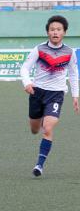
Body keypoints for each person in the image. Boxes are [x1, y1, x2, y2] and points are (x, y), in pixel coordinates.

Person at [20, 15, 79, 177]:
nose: (55, 32)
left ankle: (39, 165)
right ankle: (36, 124)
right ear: (47, 32)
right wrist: (27, 83)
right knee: (34, 129)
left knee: (48, 127)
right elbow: (25, 68)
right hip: (37, 92)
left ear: (64, 32)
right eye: (52, 29)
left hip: (56, 94)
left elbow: (73, 75)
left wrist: (75, 96)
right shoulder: (39, 49)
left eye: (59, 29)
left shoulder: (69, 52)